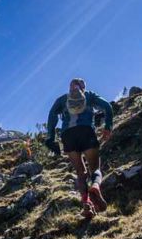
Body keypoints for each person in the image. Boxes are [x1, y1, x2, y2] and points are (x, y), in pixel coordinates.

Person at [45, 78, 113, 218]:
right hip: (86, 131)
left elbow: (52, 116)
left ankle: (86, 205)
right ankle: (95, 186)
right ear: (83, 87)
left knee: (80, 172)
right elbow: (107, 107)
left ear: (70, 87)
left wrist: (51, 138)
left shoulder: (63, 99)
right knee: (95, 169)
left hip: (68, 136)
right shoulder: (89, 95)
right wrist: (108, 127)